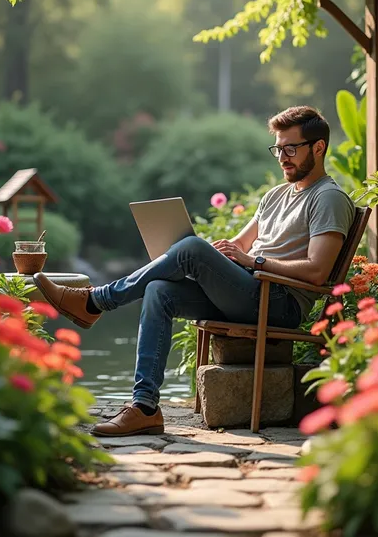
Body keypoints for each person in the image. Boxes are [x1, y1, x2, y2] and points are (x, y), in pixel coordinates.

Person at [34, 105, 355, 437]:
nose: (282, 157)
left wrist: (248, 262)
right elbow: (241, 244)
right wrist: (222, 254)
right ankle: (144, 407)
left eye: (291, 148)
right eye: (277, 148)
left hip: (279, 303)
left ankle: (96, 301)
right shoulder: (276, 196)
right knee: (160, 290)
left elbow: (317, 271)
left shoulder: (328, 198)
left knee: (191, 248)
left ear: (318, 147)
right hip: (248, 291)